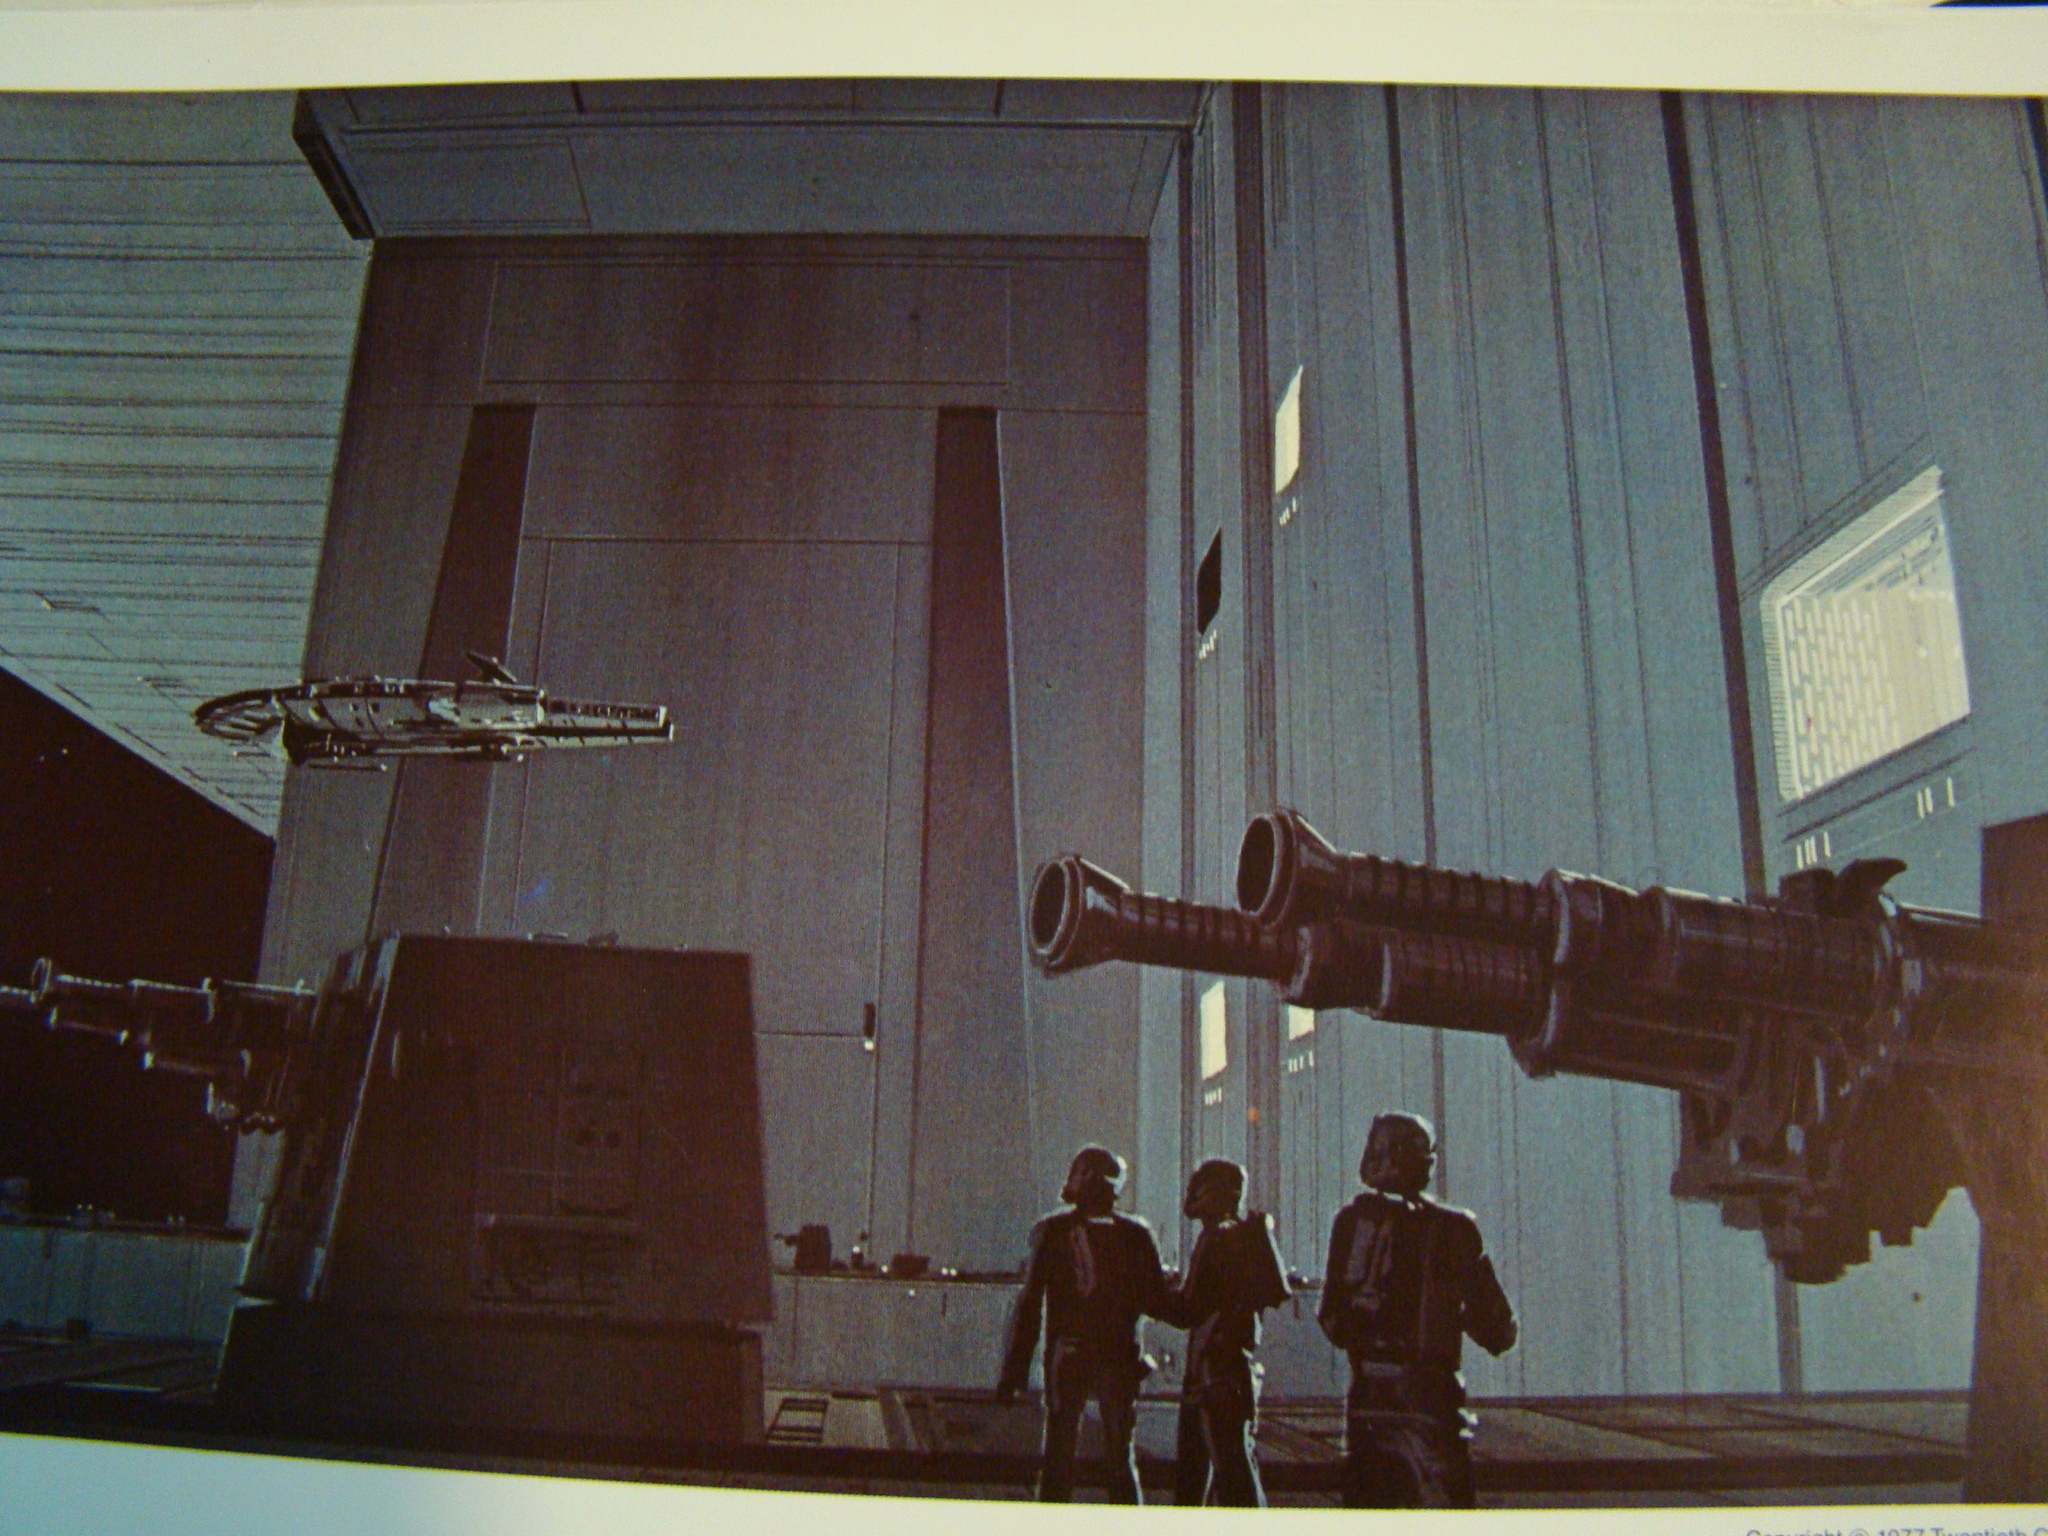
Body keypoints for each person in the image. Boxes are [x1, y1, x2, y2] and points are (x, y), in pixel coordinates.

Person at [1318, 1112, 1517, 1508]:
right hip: (1431, 1407)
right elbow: (1498, 1331)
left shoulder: (1350, 1223)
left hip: (1368, 1405)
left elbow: (1333, 1320)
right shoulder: (1456, 1229)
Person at [997, 1144, 1171, 1502]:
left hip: (1069, 1355)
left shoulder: (1053, 1231)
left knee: (1059, 1455)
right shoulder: (1137, 1234)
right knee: (1120, 1457)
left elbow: (1031, 1306)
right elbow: (1158, 1301)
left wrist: (1014, 1372)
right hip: (1120, 1357)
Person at [1162, 1158, 1291, 1507]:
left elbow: (1188, 1310)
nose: (1191, 1197)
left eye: (1199, 1189)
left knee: (1217, 1479)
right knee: (1233, 1473)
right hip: (1229, 1373)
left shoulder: (1215, 1240)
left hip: (1211, 1375)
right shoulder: (1242, 1238)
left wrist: (1149, 1293)